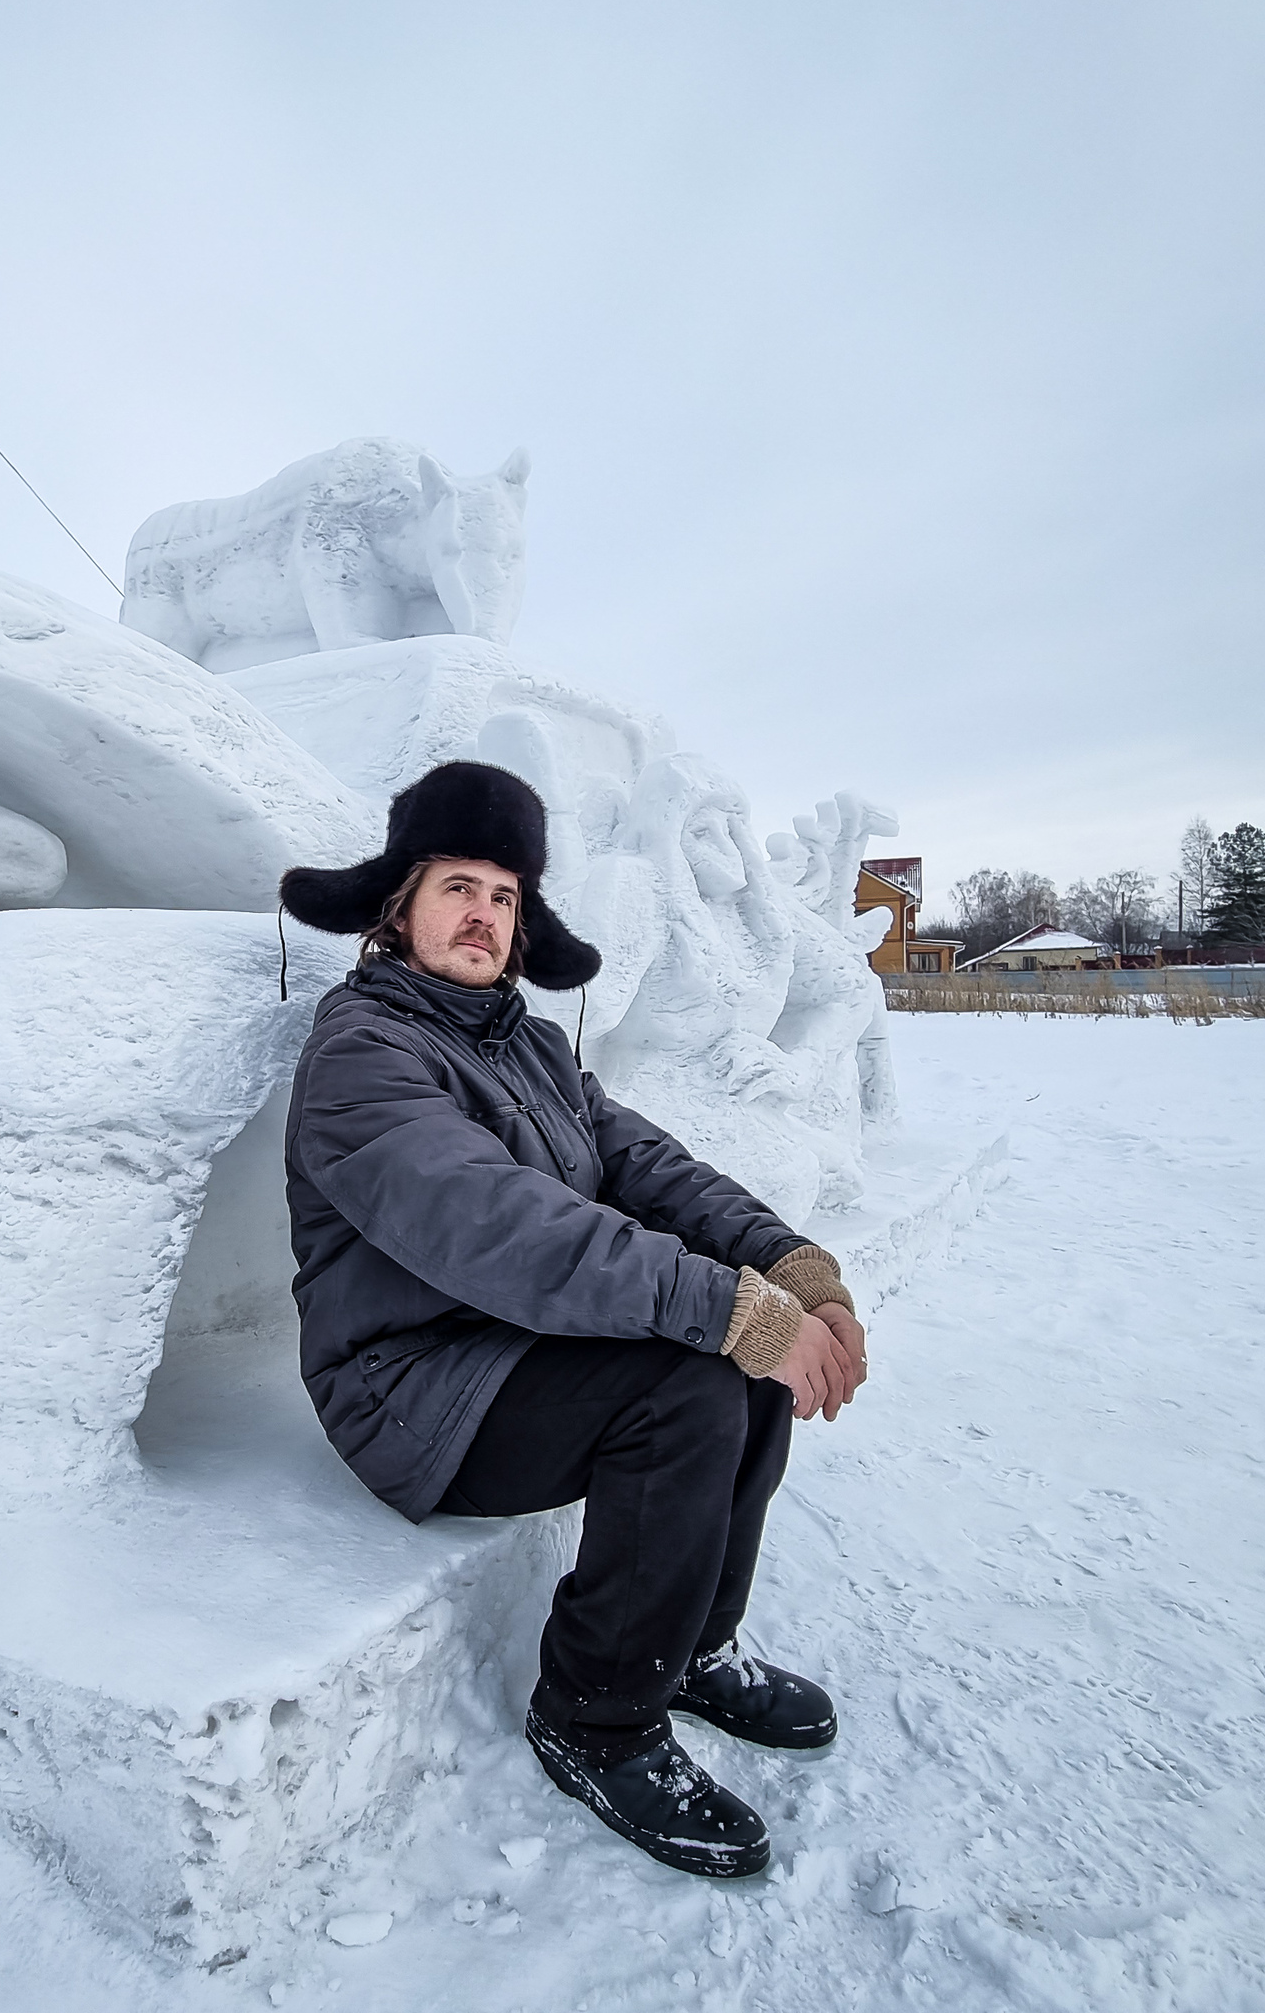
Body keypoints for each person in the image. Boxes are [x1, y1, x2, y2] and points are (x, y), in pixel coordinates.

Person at [279, 761, 867, 1879]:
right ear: (399, 905)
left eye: (504, 896)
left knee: (739, 1357)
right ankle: (595, 1716)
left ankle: (690, 1646)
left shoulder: (528, 1046)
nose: (483, 915)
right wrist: (733, 1310)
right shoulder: (362, 1055)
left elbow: (648, 1168)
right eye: (458, 885)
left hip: (507, 1347)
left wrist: (790, 1267)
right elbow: (507, 1228)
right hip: (408, 1393)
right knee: (694, 1374)